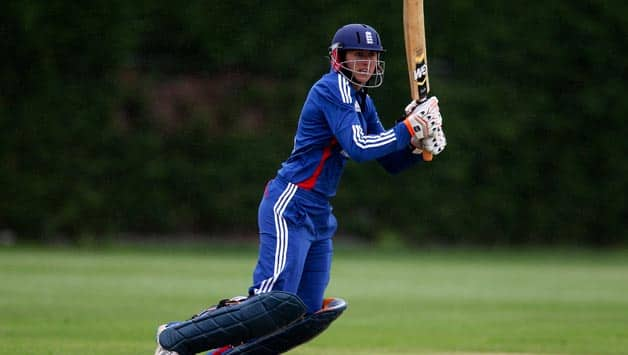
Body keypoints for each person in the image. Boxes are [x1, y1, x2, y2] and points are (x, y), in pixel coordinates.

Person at [154, 23, 446, 355]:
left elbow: (389, 161)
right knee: (271, 305)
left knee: (301, 312)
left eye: (372, 57)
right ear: (339, 58)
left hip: (319, 215)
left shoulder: (362, 102)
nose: (366, 63)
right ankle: (176, 337)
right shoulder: (331, 89)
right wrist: (409, 127)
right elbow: (361, 147)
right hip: (291, 204)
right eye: (359, 56)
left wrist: (420, 146)